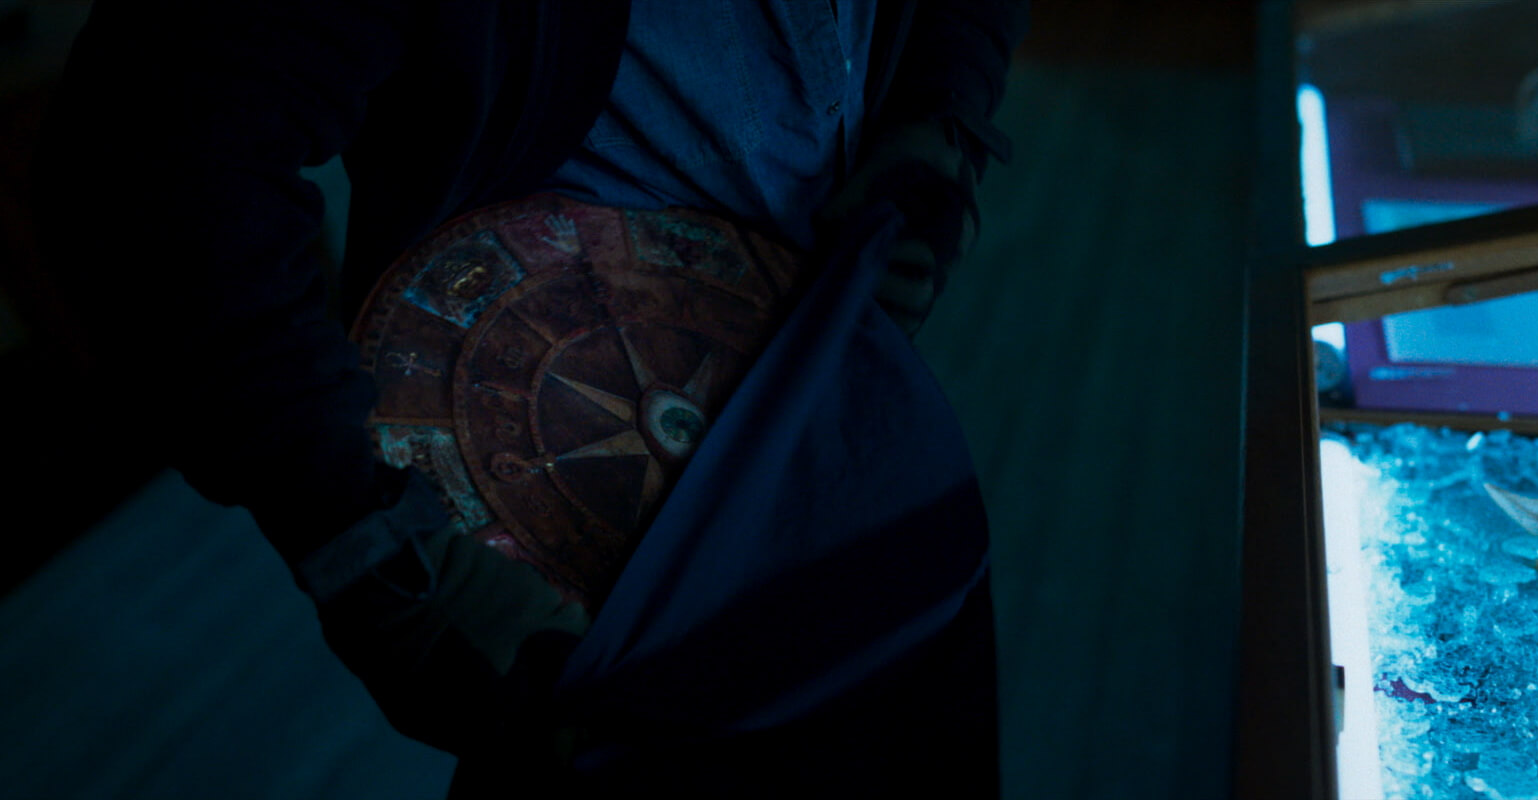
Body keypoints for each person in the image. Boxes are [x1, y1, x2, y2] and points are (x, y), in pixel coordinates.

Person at [31, 1, 1028, 796]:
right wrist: (365, 543)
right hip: (583, 531)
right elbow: (153, 151)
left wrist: (937, 111)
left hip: (846, 408)